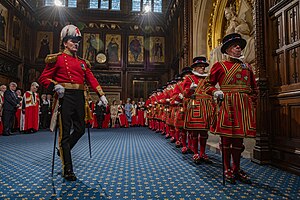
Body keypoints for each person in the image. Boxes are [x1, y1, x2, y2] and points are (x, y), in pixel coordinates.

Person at [38, 24, 108, 181]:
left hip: (79, 97)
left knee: (81, 129)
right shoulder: (57, 59)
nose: (76, 43)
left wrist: (101, 95)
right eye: (72, 41)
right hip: (65, 97)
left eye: (77, 41)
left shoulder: (83, 63)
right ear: (65, 43)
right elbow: (43, 78)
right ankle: (67, 169)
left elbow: (91, 79)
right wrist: (55, 86)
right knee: (64, 132)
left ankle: (64, 148)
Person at [205, 33, 258, 184]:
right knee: (226, 139)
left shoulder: (246, 66)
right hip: (227, 105)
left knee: (238, 141)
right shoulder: (219, 66)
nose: (239, 48)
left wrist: (251, 102)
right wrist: (216, 91)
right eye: (235, 46)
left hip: (243, 107)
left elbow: (254, 88)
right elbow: (208, 85)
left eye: (240, 46)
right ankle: (227, 168)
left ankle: (236, 168)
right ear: (227, 49)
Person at [183, 57, 213, 163]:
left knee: (204, 132)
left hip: (205, 107)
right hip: (194, 106)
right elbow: (185, 94)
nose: (202, 68)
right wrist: (190, 89)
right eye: (200, 66)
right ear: (195, 68)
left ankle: (203, 153)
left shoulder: (207, 78)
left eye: (204, 66)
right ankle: (195, 152)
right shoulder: (189, 79)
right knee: (195, 132)